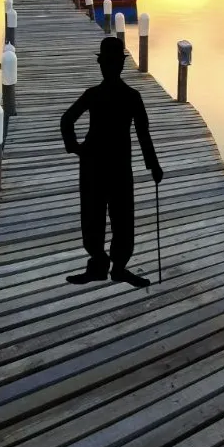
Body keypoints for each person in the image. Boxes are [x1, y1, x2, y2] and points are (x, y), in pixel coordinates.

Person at [60, 36, 163, 287]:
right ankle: (115, 267)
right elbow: (143, 134)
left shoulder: (93, 94)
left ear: (102, 65)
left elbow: (66, 121)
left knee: (94, 216)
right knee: (122, 218)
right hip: (117, 165)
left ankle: (100, 264)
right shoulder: (132, 96)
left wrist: (76, 148)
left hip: (93, 163)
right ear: (121, 65)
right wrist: (153, 165)